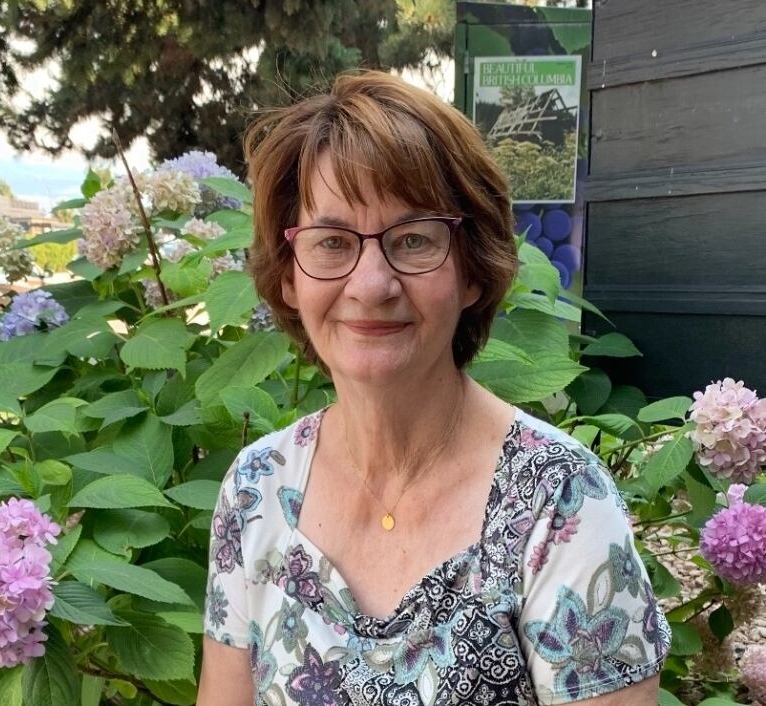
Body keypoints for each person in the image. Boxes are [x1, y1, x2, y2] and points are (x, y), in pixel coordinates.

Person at [198, 69, 671, 706]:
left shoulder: (559, 503)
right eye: (332, 242)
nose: (371, 284)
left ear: (474, 270)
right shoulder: (256, 489)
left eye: (414, 239)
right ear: (289, 278)